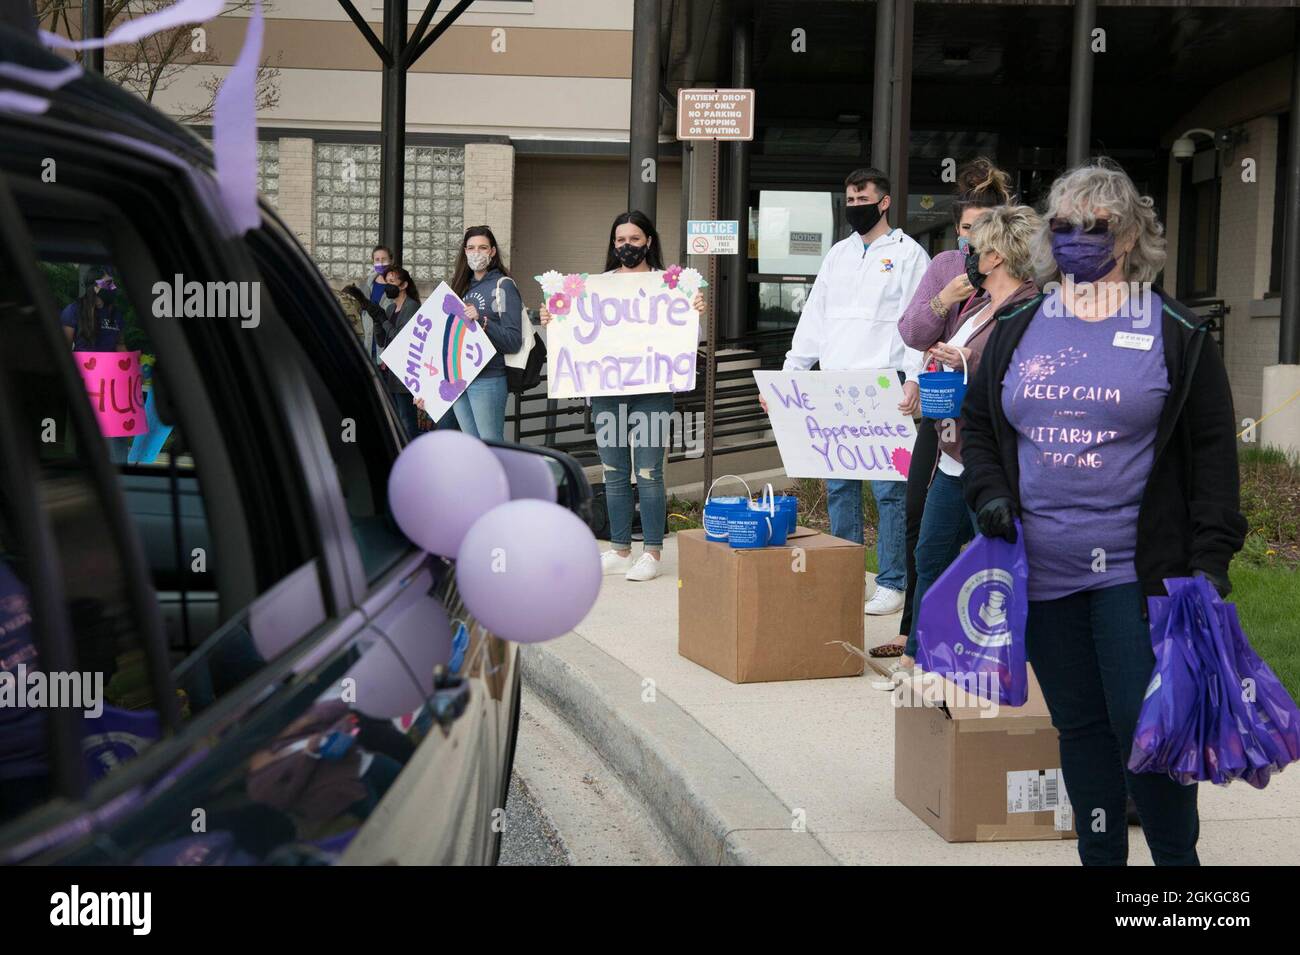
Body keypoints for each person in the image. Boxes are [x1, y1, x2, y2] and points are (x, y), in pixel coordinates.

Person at [960, 160, 1247, 866]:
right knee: (1080, 725)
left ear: (1126, 236)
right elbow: (978, 426)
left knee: (1142, 720)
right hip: (1043, 565)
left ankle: (1177, 868)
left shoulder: (1176, 331)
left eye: (1093, 227)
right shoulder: (1020, 321)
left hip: (1137, 570)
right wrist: (990, 495)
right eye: (1064, 226)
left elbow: (1213, 456)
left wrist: (1210, 562)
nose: (1077, 239)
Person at [765, 168, 928, 615]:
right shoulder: (838, 254)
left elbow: (920, 322)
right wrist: (789, 373)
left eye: (862, 197)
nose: (854, 205)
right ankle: (847, 575)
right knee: (840, 487)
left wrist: (914, 376)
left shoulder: (910, 254)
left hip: (883, 384)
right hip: (835, 386)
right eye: (849, 198)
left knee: (889, 490)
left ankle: (893, 582)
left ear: (884, 201)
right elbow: (814, 318)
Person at [874, 158, 1013, 658]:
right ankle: (916, 632)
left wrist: (966, 356)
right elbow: (913, 332)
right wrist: (943, 301)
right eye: (962, 229)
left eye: (977, 230)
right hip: (941, 414)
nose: (968, 240)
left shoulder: (1019, 282)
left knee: (980, 534)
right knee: (919, 520)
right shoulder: (946, 268)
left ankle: (974, 641)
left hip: (985, 427)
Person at [899, 204, 1042, 673]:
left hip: (993, 464)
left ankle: (993, 668)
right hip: (951, 454)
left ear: (996, 256)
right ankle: (920, 660)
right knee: (930, 555)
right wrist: (941, 363)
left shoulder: (1031, 309)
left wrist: (966, 362)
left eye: (976, 246)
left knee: (994, 568)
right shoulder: (979, 303)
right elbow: (918, 332)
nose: (969, 253)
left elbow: (1023, 379)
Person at [539, 210, 706, 582]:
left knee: (648, 473)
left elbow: (686, 342)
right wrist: (553, 319)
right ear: (612, 244)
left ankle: (651, 552)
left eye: (633, 239)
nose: (626, 246)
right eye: (619, 240)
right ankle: (618, 548)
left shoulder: (669, 286)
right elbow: (574, 334)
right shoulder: (595, 287)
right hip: (607, 393)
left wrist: (694, 313)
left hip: (652, 393)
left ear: (648, 241)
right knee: (614, 472)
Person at [446, 226, 523, 441]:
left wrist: (482, 320)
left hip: (487, 377)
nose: (476, 252)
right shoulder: (460, 287)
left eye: (482, 247)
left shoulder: (503, 287)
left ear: (493, 252)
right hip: (459, 378)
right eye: (470, 248)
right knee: (472, 447)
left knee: (490, 446)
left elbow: (513, 341)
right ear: (464, 252)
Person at [376, 266, 422, 441]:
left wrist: (383, 321)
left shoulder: (412, 306)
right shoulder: (389, 309)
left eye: (392, 282)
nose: (389, 286)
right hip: (390, 372)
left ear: (403, 285)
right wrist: (377, 321)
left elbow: (399, 338)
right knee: (395, 418)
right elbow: (383, 341)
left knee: (406, 419)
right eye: (387, 282)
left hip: (406, 372)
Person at [61, 271, 125, 352]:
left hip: (110, 363)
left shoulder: (115, 312)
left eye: (112, 284)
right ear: (94, 287)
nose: (112, 288)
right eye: (107, 284)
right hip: (84, 363)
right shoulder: (73, 310)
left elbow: (120, 345)